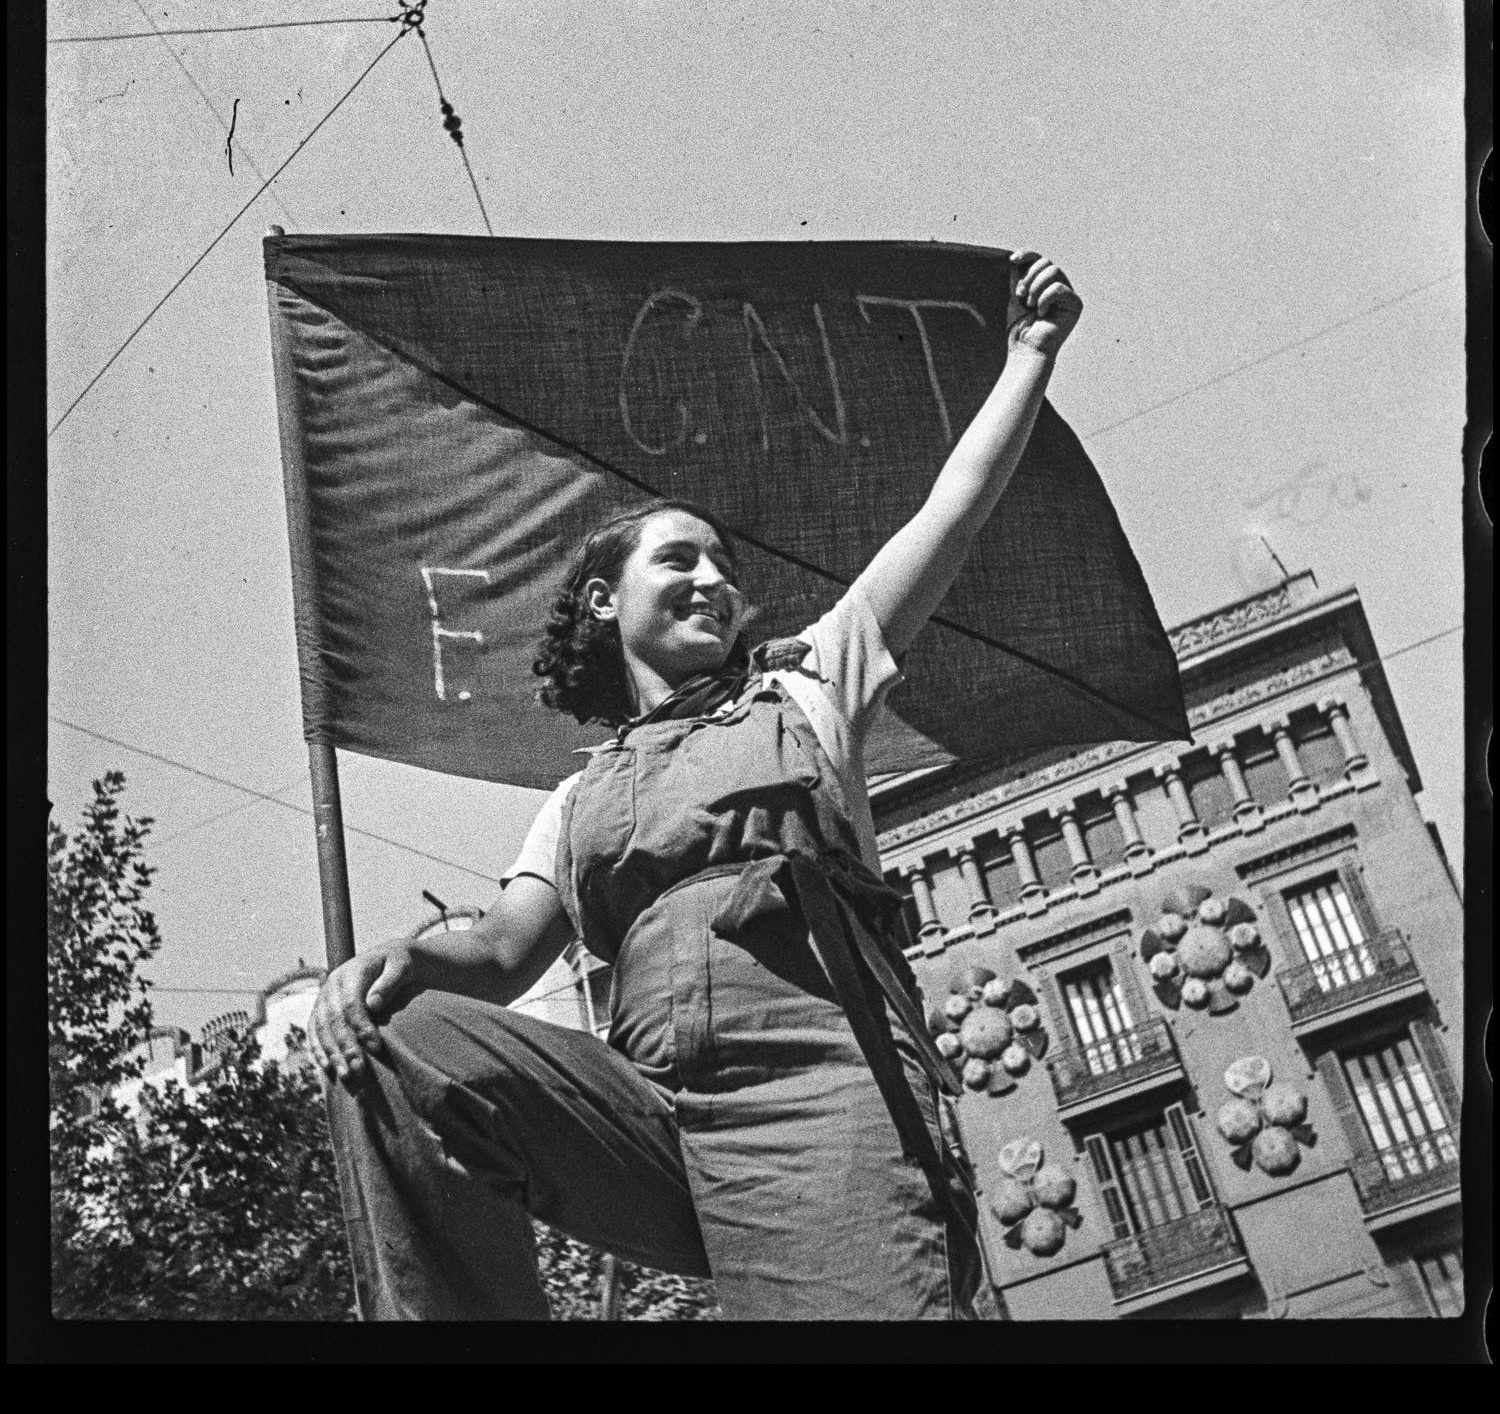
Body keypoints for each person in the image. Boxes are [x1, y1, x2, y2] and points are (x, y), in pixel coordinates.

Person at [309, 251, 1083, 1320]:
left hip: (827, 1102)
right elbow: (494, 950)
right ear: (600, 602)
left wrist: (1029, 359)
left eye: (722, 566)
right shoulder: (576, 801)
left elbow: (946, 518)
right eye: (678, 560)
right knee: (396, 1043)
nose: (714, 579)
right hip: (654, 1113)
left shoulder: (808, 684)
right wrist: (392, 959)